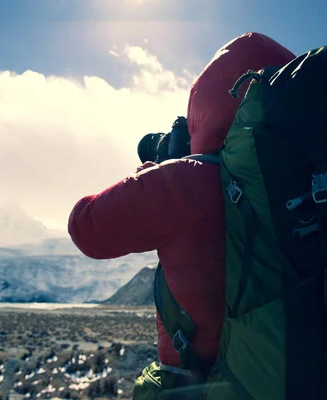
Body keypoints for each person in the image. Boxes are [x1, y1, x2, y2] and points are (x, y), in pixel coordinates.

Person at [68, 32, 295, 376]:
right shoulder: (325, 182)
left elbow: (85, 227)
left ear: (206, 105)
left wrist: (157, 173)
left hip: (212, 382)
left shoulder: (193, 181)